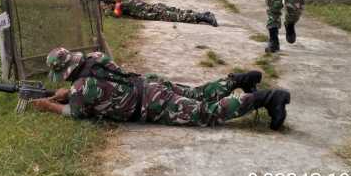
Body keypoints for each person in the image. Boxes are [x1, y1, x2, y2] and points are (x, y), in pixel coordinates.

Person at [31, 48, 291, 131]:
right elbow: (99, 85)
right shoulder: (95, 58)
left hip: (151, 103)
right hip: (150, 83)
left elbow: (75, 113)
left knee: (205, 112)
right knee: (198, 93)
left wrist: (49, 105)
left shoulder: (79, 90)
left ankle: (267, 98)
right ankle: (238, 80)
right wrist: (69, 92)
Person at [100, 0, 218, 26]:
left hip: (153, 12)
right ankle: (203, 14)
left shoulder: (120, 4)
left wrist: (106, 9)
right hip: (155, 7)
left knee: (179, 16)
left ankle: (205, 18)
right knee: (179, 11)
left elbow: (115, 14)